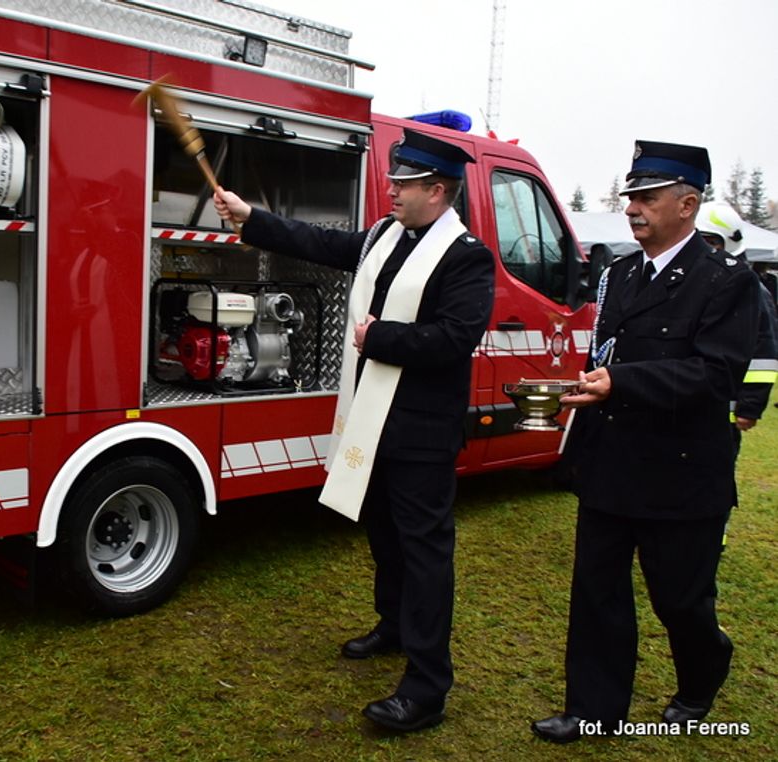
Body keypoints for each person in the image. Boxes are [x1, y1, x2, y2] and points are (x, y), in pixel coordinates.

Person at [214, 129, 494, 733]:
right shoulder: (382, 236)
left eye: (404, 181)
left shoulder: (466, 257)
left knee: (424, 553)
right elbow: (320, 242)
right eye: (393, 178)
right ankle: (393, 626)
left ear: (437, 190)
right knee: (384, 535)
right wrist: (251, 218)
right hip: (373, 419)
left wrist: (377, 338)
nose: (390, 188)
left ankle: (426, 686)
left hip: (420, 433)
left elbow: (453, 339)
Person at [531, 141, 759, 743]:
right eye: (630, 197)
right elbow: (607, 355)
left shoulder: (725, 280)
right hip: (612, 462)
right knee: (598, 594)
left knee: (681, 601)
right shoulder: (620, 274)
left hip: (682, 472)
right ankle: (594, 711)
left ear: (687, 205)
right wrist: (585, 390)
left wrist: (621, 383)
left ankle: (701, 675)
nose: (633, 209)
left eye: (648, 198)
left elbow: (716, 374)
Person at [695, 202, 778, 457]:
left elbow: (763, 349)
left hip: (721, 413)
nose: (703, 248)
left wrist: (749, 405)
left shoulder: (749, 288)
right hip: (686, 406)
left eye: (709, 241)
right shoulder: (695, 281)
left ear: (728, 242)